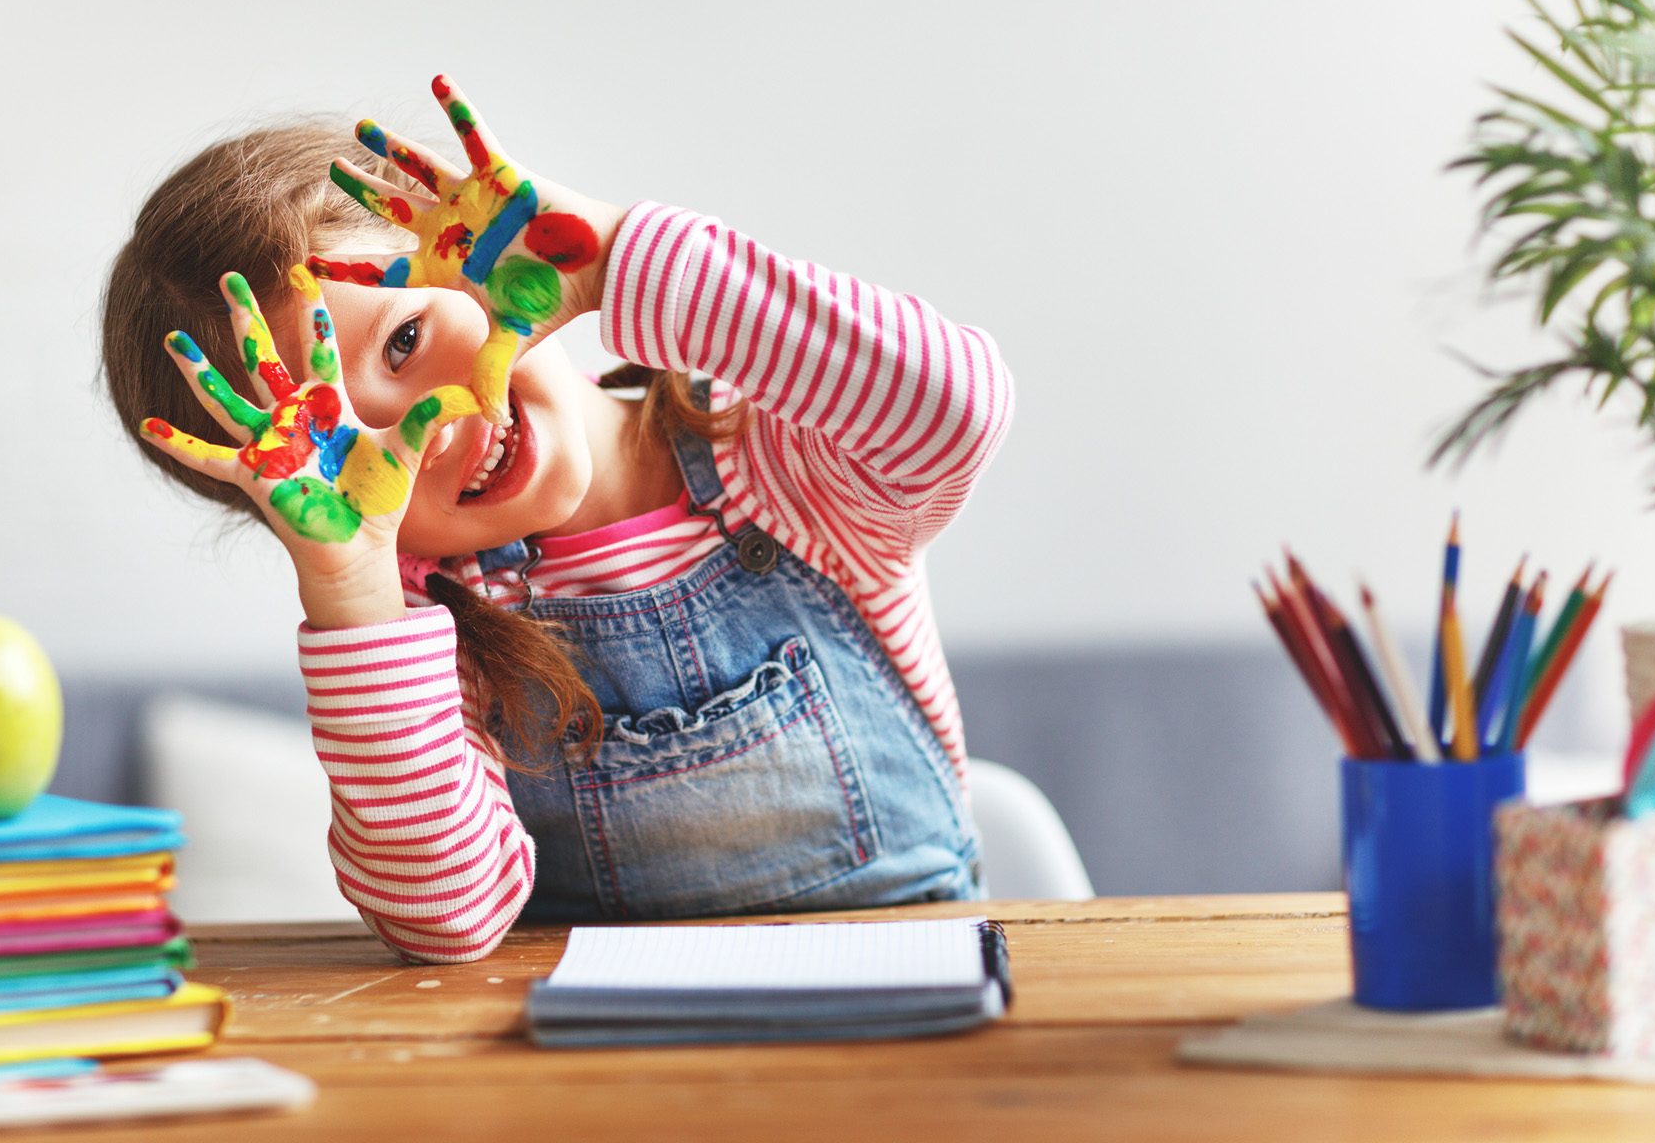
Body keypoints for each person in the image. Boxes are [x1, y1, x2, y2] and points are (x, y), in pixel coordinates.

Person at [101, 76, 1014, 964]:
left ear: (480, 256)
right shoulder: (425, 624)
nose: (428, 428)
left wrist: (609, 256)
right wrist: (353, 589)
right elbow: (446, 919)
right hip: (610, 1047)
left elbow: (953, 409)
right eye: (334, 449)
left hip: (916, 991)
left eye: (405, 340)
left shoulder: (779, 460)